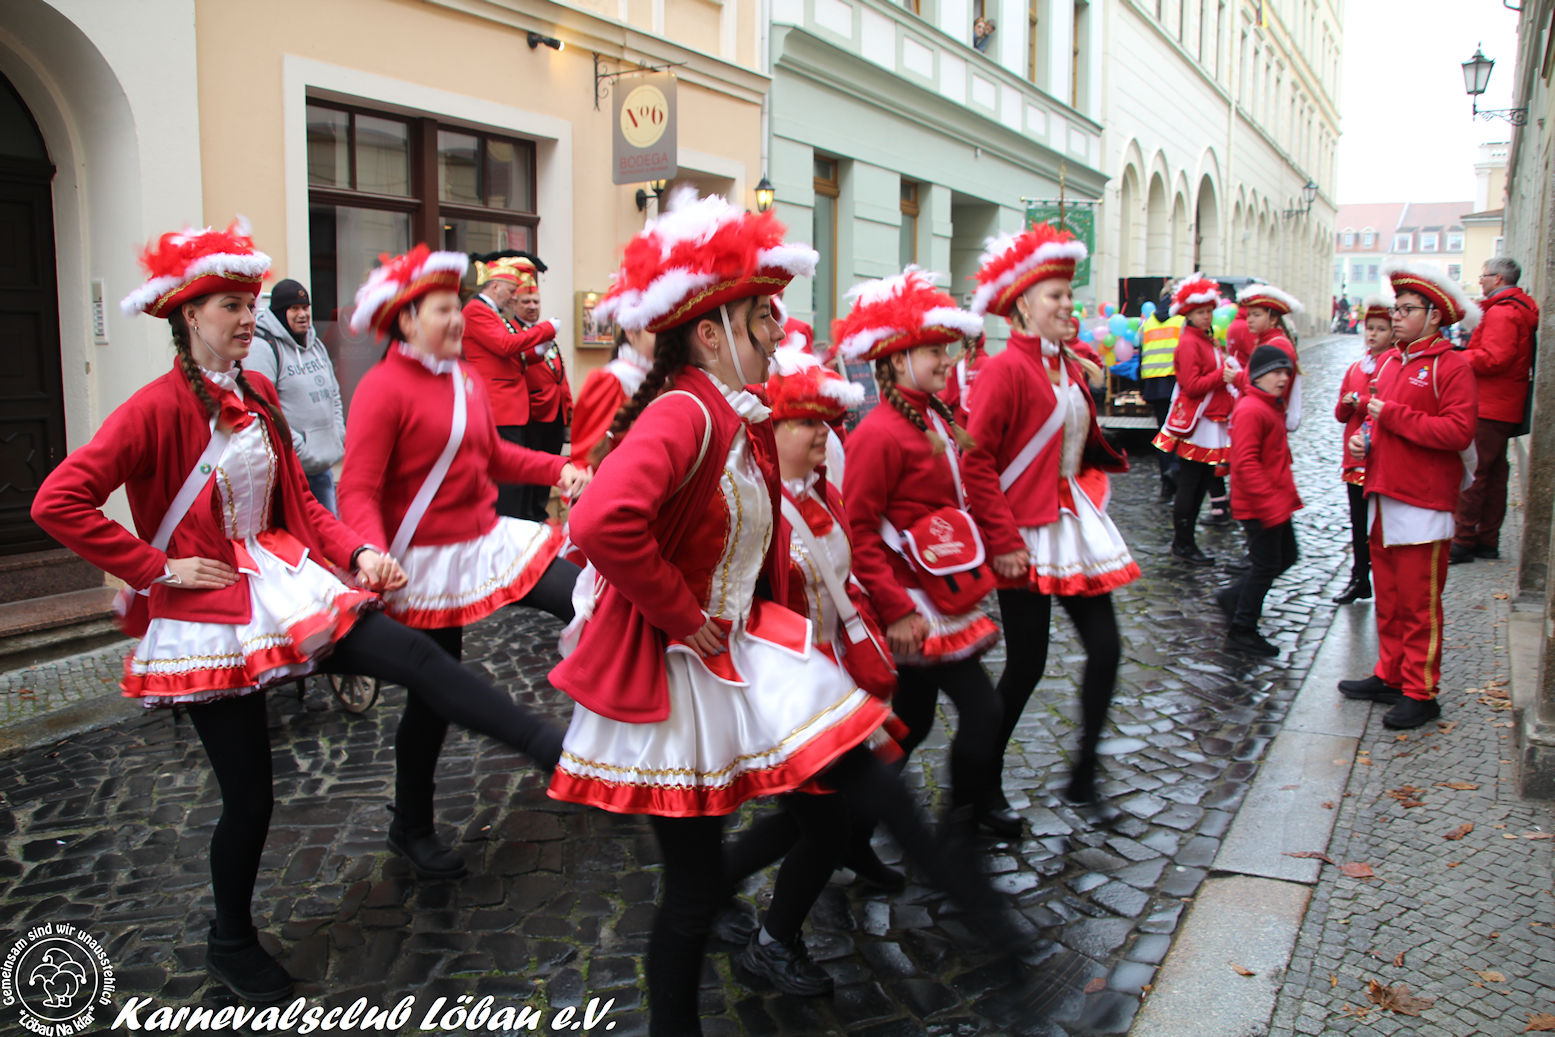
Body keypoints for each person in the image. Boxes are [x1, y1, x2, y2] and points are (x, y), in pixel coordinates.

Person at [30, 220, 565, 1005]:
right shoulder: (152, 409)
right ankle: (230, 938)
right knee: (251, 797)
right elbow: (58, 501)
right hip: (211, 613)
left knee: (419, 657)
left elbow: (302, 507)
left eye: (250, 304)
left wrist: (357, 553)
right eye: (229, 305)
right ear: (188, 314)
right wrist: (156, 567)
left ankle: (552, 748)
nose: (247, 317)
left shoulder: (258, 392)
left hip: (290, 581)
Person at [545, 192, 1033, 1036]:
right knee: (695, 893)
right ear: (710, 333)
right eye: (761, 315)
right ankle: (1004, 951)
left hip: (747, 656)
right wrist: (680, 612)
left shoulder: (731, 412)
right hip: (687, 678)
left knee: (865, 792)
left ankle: (1002, 944)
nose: (777, 330)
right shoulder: (685, 409)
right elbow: (598, 522)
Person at [338, 245, 591, 879]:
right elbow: (358, 489)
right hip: (423, 565)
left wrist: (558, 468)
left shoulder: (465, 378)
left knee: (589, 599)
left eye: (457, 307)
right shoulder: (381, 389)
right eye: (442, 311)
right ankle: (411, 826)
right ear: (405, 321)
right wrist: (370, 552)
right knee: (433, 695)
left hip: (487, 540)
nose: (457, 320)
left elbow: (493, 457)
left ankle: (612, 746)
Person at [963, 225, 1140, 828]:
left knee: (1107, 650)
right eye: (1055, 296)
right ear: (1022, 307)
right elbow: (977, 461)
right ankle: (981, 782)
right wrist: (1003, 542)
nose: (1068, 305)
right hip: (1024, 534)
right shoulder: (1004, 371)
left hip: (1070, 524)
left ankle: (1085, 772)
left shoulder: (1067, 366)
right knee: (1027, 666)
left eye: (1070, 295)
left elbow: (1073, 445)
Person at [838, 267, 1006, 836]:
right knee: (980, 710)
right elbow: (858, 530)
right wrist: (897, 609)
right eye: (934, 351)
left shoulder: (935, 417)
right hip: (915, 604)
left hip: (940, 591)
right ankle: (959, 822)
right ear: (895, 360)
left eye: (947, 350)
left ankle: (852, 833)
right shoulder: (879, 434)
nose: (946, 361)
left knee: (911, 721)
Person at [1338, 262, 1479, 730]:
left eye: (1406, 309)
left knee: (1419, 605)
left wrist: (1392, 419)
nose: (1395, 317)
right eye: (1396, 309)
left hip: (1423, 501)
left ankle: (1421, 692)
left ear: (1434, 316)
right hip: (1383, 493)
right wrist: (1365, 443)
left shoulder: (1451, 365)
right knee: (1391, 598)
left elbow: (1458, 432)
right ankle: (1391, 674)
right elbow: (1379, 422)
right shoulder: (1393, 362)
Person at [1452, 256, 1540, 563]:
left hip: (1491, 405)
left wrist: (1457, 357)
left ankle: (1464, 540)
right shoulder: (1512, 308)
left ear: (1498, 279)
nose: (1481, 281)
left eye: (1484, 276)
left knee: (1474, 472)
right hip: (1502, 404)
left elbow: (1494, 358)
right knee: (1493, 473)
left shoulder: (1502, 312)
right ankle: (1486, 540)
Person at [459, 251, 560, 519]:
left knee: (516, 477)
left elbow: (509, 355)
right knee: (508, 481)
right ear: (495, 286)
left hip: (509, 407)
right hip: (499, 407)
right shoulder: (477, 311)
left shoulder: (490, 313)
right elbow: (505, 346)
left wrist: (537, 353)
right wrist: (545, 329)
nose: (514, 297)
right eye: (512, 291)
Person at [1217, 345, 1302, 656]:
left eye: (1286, 373)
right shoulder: (1252, 409)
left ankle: (1234, 598)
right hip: (1261, 506)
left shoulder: (1269, 405)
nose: (1283, 379)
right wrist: (1270, 504)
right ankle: (1242, 629)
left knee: (1286, 557)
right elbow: (1246, 463)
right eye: (1276, 372)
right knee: (1265, 566)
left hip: (1275, 501)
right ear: (1257, 376)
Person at [1152, 274, 1235, 566]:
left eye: (1209, 311)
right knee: (1191, 483)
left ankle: (1187, 541)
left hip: (1209, 419)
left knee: (1202, 482)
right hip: (1198, 424)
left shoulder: (1205, 337)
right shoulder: (1189, 342)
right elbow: (1191, 385)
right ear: (1188, 313)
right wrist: (1221, 375)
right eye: (1200, 312)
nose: (1207, 316)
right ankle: (1183, 542)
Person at [247, 278, 346, 514]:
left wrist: (338, 434)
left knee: (328, 533)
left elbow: (334, 394)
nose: (302, 315)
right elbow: (264, 408)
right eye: (294, 309)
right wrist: (298, 450)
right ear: (280, 313)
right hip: (291, 471)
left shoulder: (316, 344)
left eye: (305, 308)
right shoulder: (263, 347)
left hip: (322, 468)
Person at [1331, 294, 1394, 604]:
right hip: (1354, 456)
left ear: (1392, 333)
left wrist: (1362, 402)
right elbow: (1340, 414)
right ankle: (1359, 577)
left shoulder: (1395, 365)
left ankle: (1385, 581)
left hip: (1381, 458)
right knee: (1358, 522)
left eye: (1381, 329)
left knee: (1381, 524)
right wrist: (1346, 405)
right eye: (1370, 328)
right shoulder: (1356, 367)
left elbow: (1390, 405)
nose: (1373, 334)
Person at [508, 253, 574, 521]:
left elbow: (558, 374)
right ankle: (529, 517)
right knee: (530, 474)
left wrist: (568, 407)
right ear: (514, 303)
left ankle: (540, 514)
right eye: (526, 301)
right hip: (532, 415)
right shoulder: (512, 334)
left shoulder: (547, 335)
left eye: (536, 301)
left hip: (555, 414)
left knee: (549, 472)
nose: (532, 306)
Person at [571, 324, 656, 469]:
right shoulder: (611, 381)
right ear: (630, 332)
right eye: (654, 329)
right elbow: (586, 458)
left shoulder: (669, 380)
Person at [1138, 296, 1184, 501]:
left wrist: (1142, 388)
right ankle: (1176, 470)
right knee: (1182, 432)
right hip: (1177, 383)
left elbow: (1141, 356)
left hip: (1154, 385)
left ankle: (1167, 481)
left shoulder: (1147, 324)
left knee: (1163, 434)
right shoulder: (1182, 321)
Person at [939, 331, 988, 428]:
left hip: (961, 428)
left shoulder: (956, 365)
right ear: (983, 340)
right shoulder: (991, 364)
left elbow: (945, 397)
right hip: (984, 425)